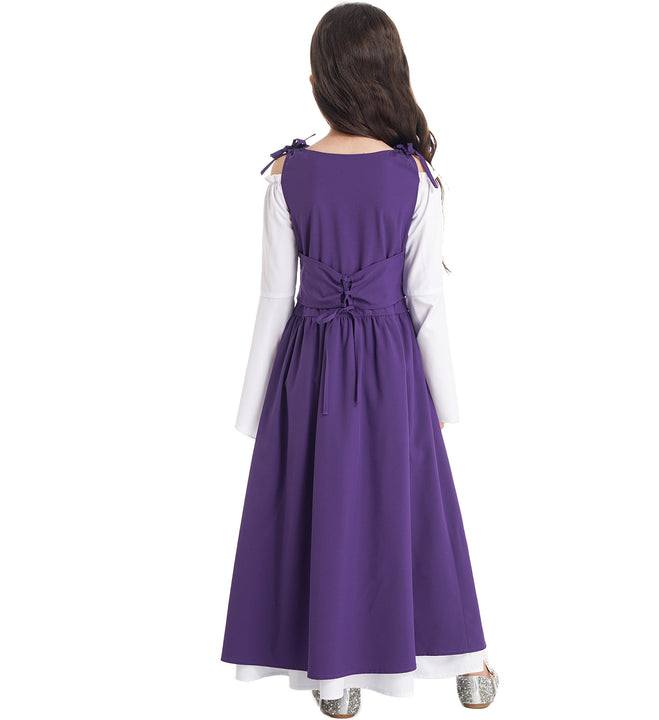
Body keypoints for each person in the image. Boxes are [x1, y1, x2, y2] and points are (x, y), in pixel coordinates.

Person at [220, 3, 499, 716]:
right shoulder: (415, 176)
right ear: (389, 75)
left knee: (319, 509)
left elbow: (273, 299)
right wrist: (444, 402)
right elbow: (426, 299)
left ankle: (336, 676)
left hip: (309, 366)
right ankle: (467, 664)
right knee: (416, 510)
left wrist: (253, 409)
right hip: (390, 367)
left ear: (320, 80)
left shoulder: (287, 173)